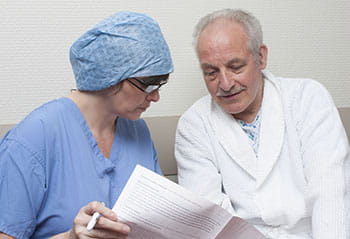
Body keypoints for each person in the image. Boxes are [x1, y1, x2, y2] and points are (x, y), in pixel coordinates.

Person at [175, 8, 349, 239]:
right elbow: (210, 217)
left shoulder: (307, 98)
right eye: (211, 73)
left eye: (236, 67)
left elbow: (330, 192)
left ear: (261, 57)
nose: (225, 84)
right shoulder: (194, 124)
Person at [0, 11, 173, 238]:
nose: (156, 97)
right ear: (111, 75)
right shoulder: (33, 137)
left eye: (161, 83)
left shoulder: (137, 130)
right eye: (149, 85)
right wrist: (70, 236)